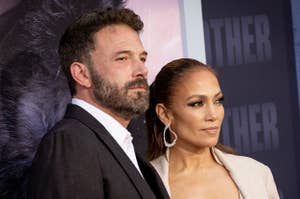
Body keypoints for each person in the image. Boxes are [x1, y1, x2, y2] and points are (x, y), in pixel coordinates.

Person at [27, 7, 169, 199]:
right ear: (82, 74)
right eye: (122, 58)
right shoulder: (70, 143)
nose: (142, 69)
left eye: (142, 58)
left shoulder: (120, 145)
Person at [145, 58, 280, 199]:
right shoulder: (146, 184)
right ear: (165, 114)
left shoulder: (256, 173)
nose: (213, 115)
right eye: (197, 103)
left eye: (217, 101)